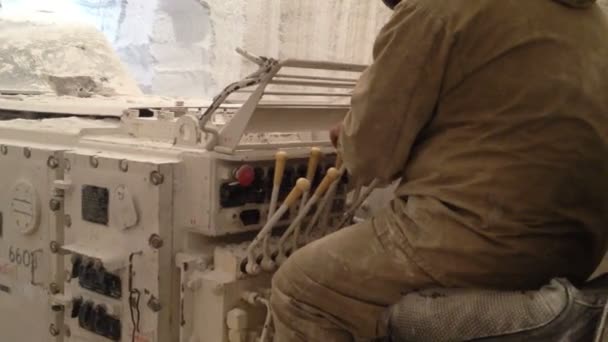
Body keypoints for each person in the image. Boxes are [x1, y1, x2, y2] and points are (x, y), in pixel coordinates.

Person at [270, 0, 608, 341]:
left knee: (299, 287)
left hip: (482, 245)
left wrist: (348, 138)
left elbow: (371, 157)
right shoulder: (595, 23)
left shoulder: (434, 8)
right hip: (578, 250)